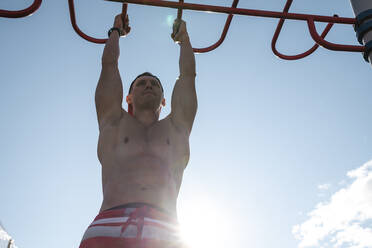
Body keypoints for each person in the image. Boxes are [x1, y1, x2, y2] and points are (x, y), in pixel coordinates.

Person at [79, 12, 197, 248]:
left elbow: (187, 76)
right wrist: (115, 32)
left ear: (165, 100)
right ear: (128, 97)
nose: (148, 86)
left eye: (154, 84)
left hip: (164, 230)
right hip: (110, 221)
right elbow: (109, 65)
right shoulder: (114, 121)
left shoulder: (176, 128)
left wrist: (184, 39)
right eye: (141, 83)